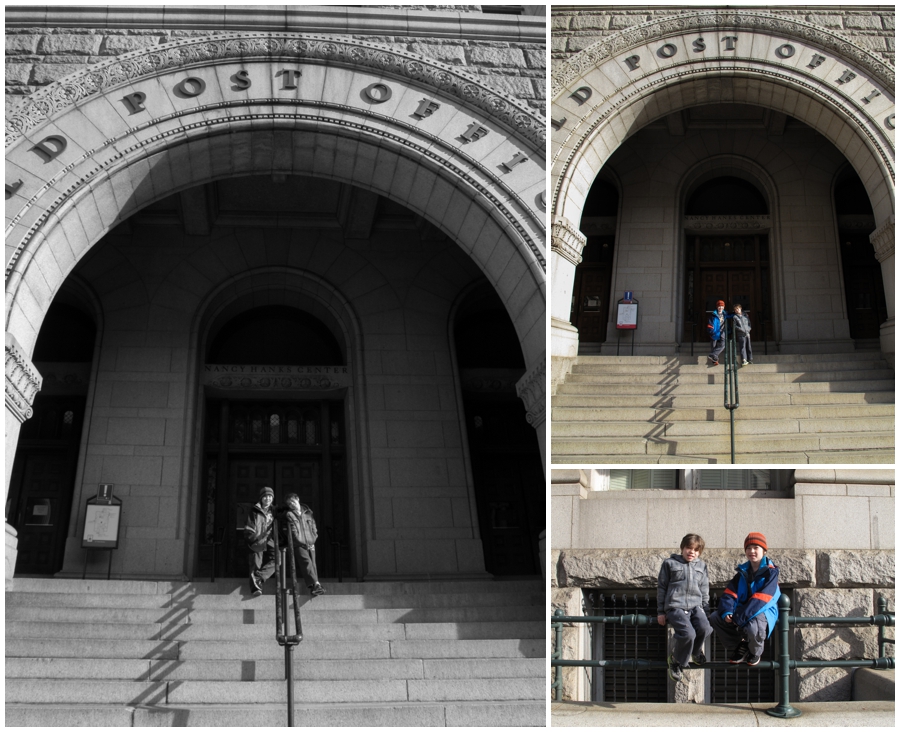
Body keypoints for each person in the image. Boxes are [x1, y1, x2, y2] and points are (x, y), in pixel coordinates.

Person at [709, 532, 781, 666]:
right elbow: (729, 594)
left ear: (764, 551)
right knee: (715, 617)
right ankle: (741, 645)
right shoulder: (742, 572)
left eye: (756, 548)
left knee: (754, 627)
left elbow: (761, 599)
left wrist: (739, 617)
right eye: (748, 548)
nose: (751, 551)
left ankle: (755, 652)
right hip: (742, 611)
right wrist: (727, 612)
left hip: (763, 611)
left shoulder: (771, 573)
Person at [657, 533, 712, 683]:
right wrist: (661, 612)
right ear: (682, 548)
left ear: (699, 552)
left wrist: (705, 611)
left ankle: (695, 652)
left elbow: (704, 589)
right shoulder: (670, 563)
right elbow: (662, 587)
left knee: (705, 628)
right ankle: (676, 661)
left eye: (695, 549)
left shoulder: (702, 566)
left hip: (695, 606)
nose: (691, 552)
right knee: (688, 634)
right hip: (676, 607)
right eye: (689, 548)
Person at [280, 493, 326, 597]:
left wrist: (314, 538)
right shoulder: (289, 514)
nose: (291, 504)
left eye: (293, 501)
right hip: (298, 544)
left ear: (298, 499)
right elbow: (292, 530)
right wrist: (299, 540)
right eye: (289, 503)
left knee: (312, 565)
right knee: (306, 563)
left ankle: (314, 587)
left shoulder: (308, 513)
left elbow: (314, 527)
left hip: (311, 542)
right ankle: (317, 585)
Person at [244, 486, 276, 597]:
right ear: (261, 498)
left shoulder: (275, 510)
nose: (267, 499)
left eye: (270, 496)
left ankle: (258, 577)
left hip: (270, 539)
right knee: (256, 563)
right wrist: (252, 539)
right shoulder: (254, 510)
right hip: (257, 538)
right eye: (265, 496)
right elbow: (249, 526)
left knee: (278, 559)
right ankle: (255, 588)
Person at [707, 300, 729, 365]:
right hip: (714, 332)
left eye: (722, 306)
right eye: (719, 306)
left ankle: (712, 355)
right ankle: (715, 360)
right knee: (713, 346)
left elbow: (731, 315)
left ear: (724, 307)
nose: (720, 308)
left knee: (723, 344)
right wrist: (711, 332)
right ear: (717, 307)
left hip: (722, 331)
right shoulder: (713, 315)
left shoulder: (725, 314)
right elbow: (710, 324)